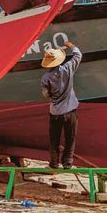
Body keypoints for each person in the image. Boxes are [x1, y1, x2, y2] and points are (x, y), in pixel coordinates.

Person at [41, 40, 82, 169]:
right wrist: (71, 46)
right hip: (70, 110)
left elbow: (46, 94)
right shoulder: (68, 68)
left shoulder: (45, 78)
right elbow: (78, 55)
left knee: (54, 139)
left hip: (55, 112)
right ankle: (67, 162)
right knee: (70, 138)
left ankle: (54, 163)